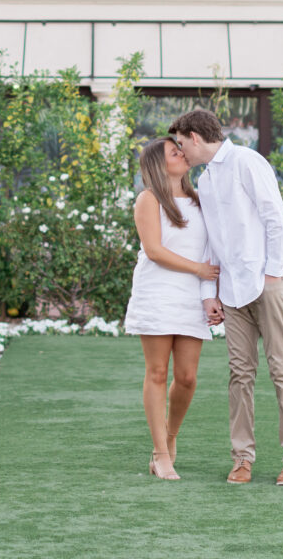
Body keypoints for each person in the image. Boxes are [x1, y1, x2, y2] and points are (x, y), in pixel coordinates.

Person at [168, 109, 283, 487]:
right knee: (239, 376)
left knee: (282, 369)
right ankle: (242, 459)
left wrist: (273, 272)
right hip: (231, 291)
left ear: (195, 137)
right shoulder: (207, 179)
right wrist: (208, 294)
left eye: (181, 144)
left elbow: (275, 216)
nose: (181, 152)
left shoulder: (248, 161)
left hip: (269, 282)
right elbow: (211, 241)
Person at [124, 137, 220, 481]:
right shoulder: (149, 200)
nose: (181, 153)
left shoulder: (201, 201)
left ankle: (170, 435)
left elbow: (212, 250)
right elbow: (153, 250)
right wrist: (198, 270)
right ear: (158, 163)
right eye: (173, 151)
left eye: (180, 149)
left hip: (192, 297)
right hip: (157, 292)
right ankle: (160, 454)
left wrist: (211, 290)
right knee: (157, 373)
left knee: (188, 377)